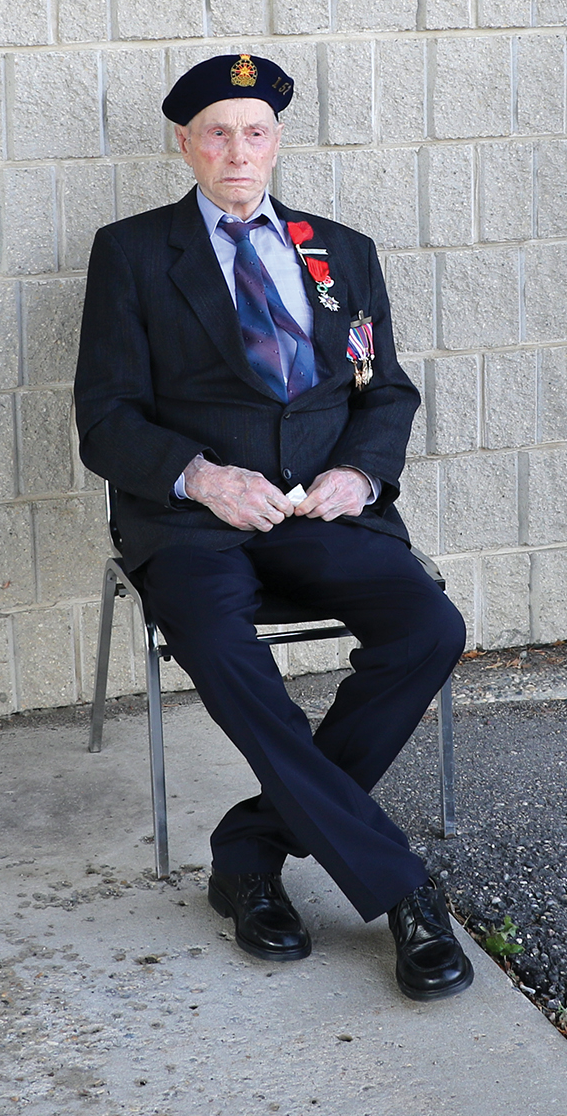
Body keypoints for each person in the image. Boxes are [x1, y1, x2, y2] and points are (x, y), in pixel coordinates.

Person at [72, 53, 473, 1002]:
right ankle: (404, 888)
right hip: (194, 521)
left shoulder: (342, 250)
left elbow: (387, 391)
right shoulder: (132, 253)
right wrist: (202, 478)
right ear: (185, 144)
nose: (237, 151)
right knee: (220, 643)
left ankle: (252, 851)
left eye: (255, 132)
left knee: (430, 629)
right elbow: (106, 418)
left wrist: (358, 474)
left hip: (318, 512)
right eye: (216, 132)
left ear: (278, 140)